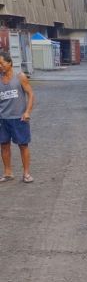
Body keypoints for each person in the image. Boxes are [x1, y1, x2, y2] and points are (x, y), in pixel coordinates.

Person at [0, 48, 35, 184]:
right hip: (3, 119)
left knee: (23, 145)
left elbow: (30, 94)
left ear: (9, 63)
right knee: (4, 145)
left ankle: (26, 174)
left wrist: (27, 112)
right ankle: (8, 173)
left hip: (19, 118)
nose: (0, 66)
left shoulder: (20, 77)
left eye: (1, 63)